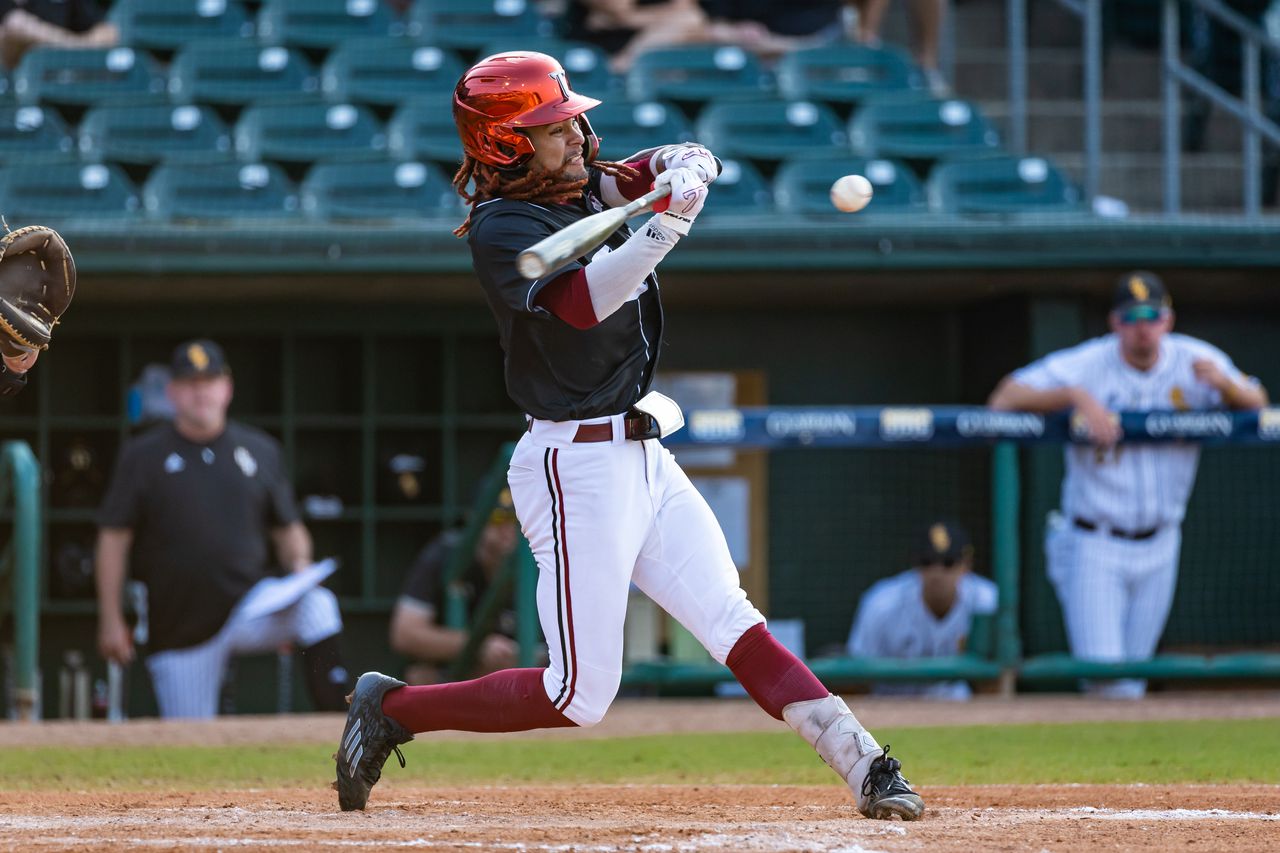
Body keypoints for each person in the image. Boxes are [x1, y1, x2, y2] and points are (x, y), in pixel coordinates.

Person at [333, 51, 924, 822]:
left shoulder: (581, 183)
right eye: (550, 127)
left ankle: (864, 762)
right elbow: (584, 301)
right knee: (578, 694)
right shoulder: (502, 228)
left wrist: (682, 162)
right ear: (506, 145)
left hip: (642, 449)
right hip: (572, 465)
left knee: (732, 619)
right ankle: (395, 708)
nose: (576, 134)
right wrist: (666, 226)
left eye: (570, 118)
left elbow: (630, 174)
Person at [988, 271, 1268, 699]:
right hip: (1094, 542)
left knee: (1131, 683)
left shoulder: (1196, 361)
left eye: (1152, 315)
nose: (1143, 326)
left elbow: (1258, 405)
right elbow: (1003, 398)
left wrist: (1227, 386)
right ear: (1115, 322)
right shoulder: (1088, 363)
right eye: (1132, 316)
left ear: (1167, 320)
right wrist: (1074, 397)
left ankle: (1116, 768)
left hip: (1162, 541)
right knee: (1108, 683)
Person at [96, 339, 351, 718]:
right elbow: (113, 539)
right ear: (172, 392)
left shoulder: (260, 449)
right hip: (182, 625)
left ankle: (342, 725)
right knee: (189, 741)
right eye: (189, 382)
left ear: (227, 388)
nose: (201, 391)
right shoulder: (143, 455)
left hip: (250, 605)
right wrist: (111, 618)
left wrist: (300, 563)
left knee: (317, 605)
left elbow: (289, 529)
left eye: (210, 380)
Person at [847, 520, 997, 701]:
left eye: (948, 563)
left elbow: (1000, 673)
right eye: (927, 562)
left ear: (966, 564)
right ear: (915, 564)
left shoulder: (986, 600)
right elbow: (856, 673)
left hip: (957, 707)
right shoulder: (882, 602)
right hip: (890, 704)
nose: (937, 573)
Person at [389, 486, 523, 685]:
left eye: (515, 519)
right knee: (421, 676)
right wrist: (477, 647)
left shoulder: (539, 561)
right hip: (447, 678)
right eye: (497, 518)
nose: (507, 527)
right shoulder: (446, 555)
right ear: (474, 518)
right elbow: (405, 633)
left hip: (514, 686)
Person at [0, 0, 118, 70]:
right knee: (17, 22)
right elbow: (13, 29)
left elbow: (108, 34)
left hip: (63, 74)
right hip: (11, 81)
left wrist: (71, 45)